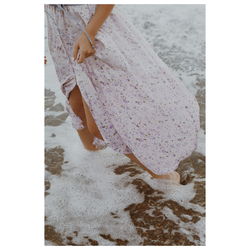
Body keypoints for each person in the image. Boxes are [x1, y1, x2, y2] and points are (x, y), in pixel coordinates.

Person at [44, 4, 200, 183]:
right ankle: (90, 171)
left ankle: (164, 175)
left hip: (91, 29)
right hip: (61, 33)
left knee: (103, 122)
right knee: (76, 105)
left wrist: (89, 34)